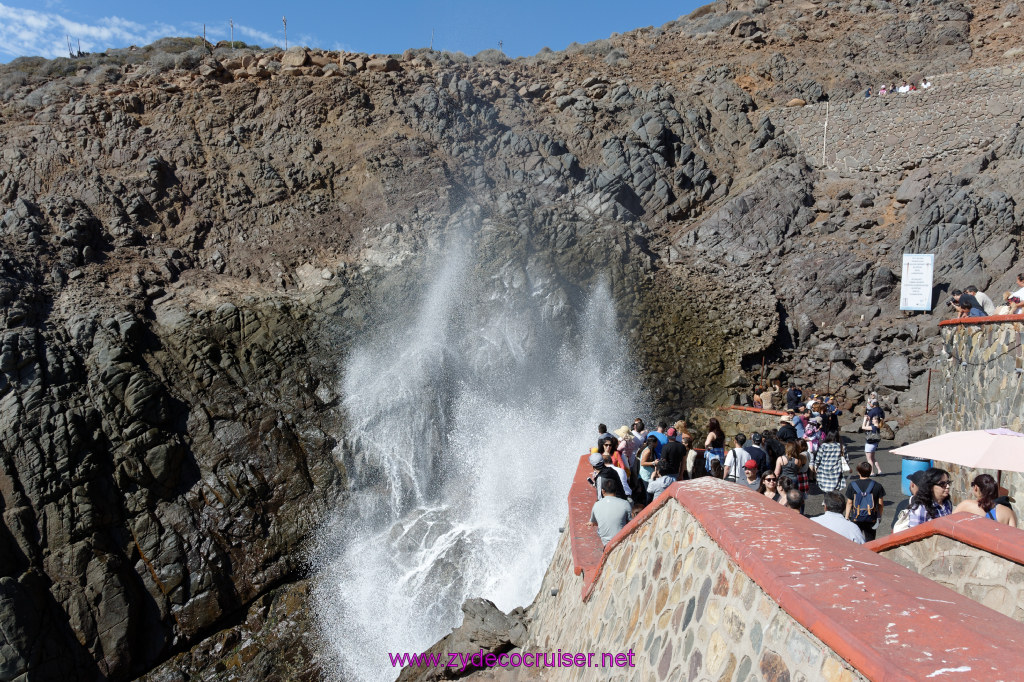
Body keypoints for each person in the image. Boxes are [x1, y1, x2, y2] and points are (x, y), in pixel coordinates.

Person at [953, 474, 1018, 527]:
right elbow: (1013, 536)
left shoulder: (966, 505)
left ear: (976, 488)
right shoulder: (1008, 512)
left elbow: (949, 523)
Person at [844, 462, 885, 541]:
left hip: (856, 517)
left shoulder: (852, 485)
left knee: (855, 539)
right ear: (870, 472)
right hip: (871, 517)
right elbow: (881, 504)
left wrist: (847, 517)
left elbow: (849, 502)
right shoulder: (877, 486)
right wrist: (879, 517)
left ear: (858, 472)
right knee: (870, 540)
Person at [587, 476, 633, 545]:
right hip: (622, 541)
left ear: (603, 491)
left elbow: (594, 522)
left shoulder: (596, 505)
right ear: (616, 490)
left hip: (606, 543)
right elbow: (631, 522)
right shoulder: (625, 504)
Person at [776, 441, 809, 512]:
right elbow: (798, 470)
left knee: (783, 496)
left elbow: (777, 473)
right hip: (794, 480)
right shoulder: (799, 460)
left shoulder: (780, 459)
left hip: (783, 480)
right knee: (793, 497)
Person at [862, 398, 885, 475]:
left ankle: (871, 472)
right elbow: (867, 427)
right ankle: (879, 470)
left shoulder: (873, 427)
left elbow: (863, 427)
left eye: (873, 419)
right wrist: (868, 421)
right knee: (873, 458)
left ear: (876, 421)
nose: (872, 420)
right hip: (874, 443)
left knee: (869, 459)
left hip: (870, 444)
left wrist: (865, 419)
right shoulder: (878, 426)